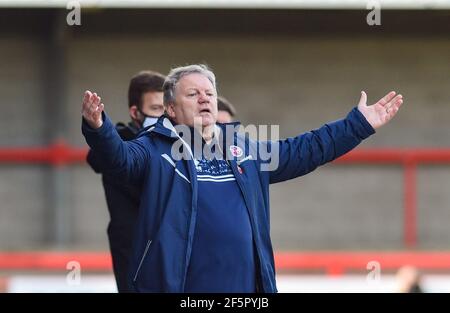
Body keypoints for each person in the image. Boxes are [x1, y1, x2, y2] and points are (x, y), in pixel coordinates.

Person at [81, 64, 403, 293]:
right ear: (171, 111)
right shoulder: (153, 150)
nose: (205, 98)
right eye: (193, 93)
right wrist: (99, 128)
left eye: (209, 93)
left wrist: (359, 124)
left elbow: (307, 149)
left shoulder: (245, 149)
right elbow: (118, 159)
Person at [86, 70, 166, 293]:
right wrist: (99, 128)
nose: (163, 116)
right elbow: (106, 149)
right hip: (133, 250)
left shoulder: (175, 146)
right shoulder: (119, 145)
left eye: (166, 108)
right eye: (155, 109)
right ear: (135, 112)